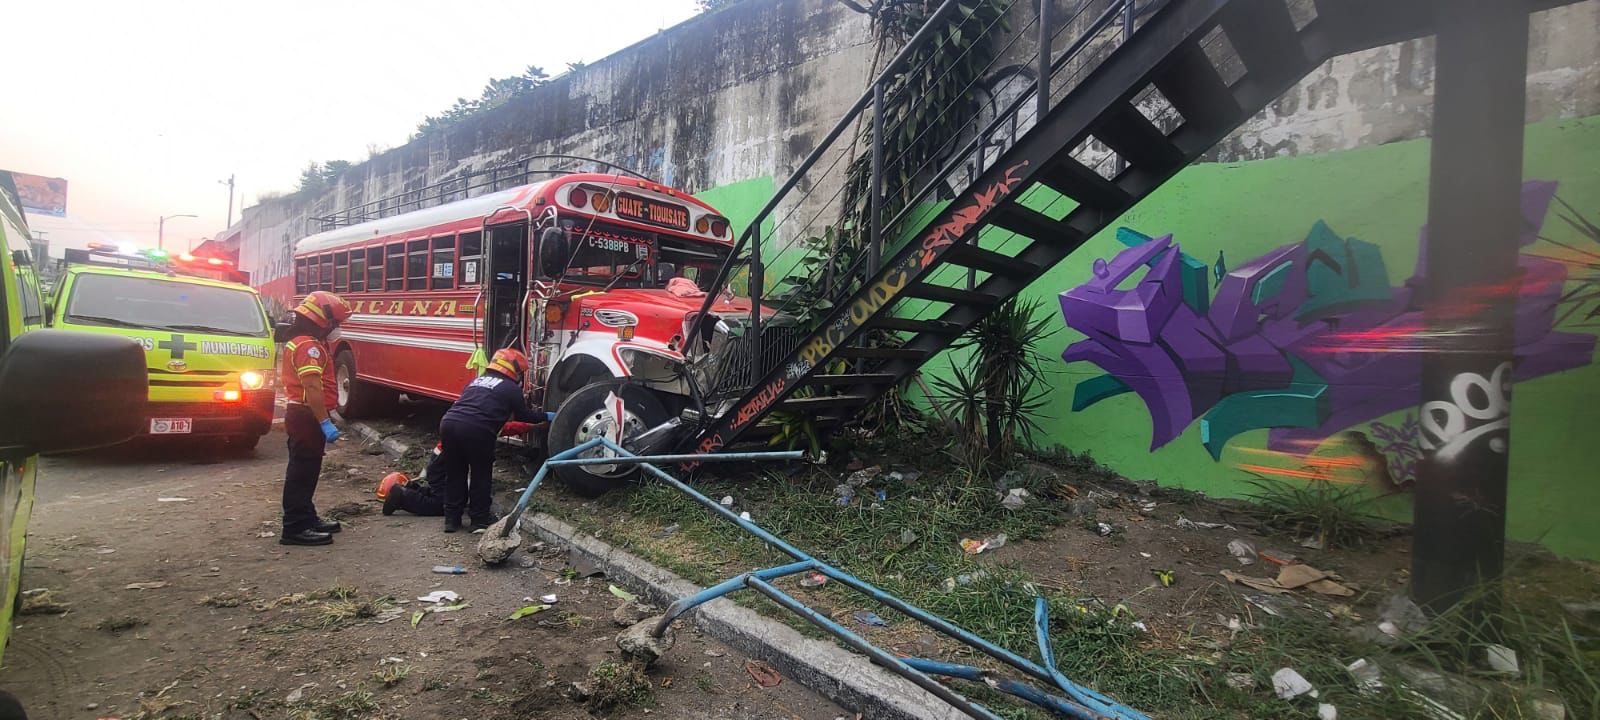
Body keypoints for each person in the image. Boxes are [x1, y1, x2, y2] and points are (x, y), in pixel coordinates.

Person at [438, 348, 542, 532]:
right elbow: (523, 415)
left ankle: (451, 520)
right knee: (480, 474)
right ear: (513, 369)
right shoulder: (510, 388)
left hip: (448, 423)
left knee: (455, 473)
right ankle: (479, 520)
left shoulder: (475, 382)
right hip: (477, 430)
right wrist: (547, 416)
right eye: (520, 372)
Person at [277, 290, 353, 546]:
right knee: (302, 472)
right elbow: (312, 389)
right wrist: (324, 422)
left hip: (303, 415)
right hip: (306, 416)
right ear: (324, 321)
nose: (337, 329)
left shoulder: (301, 341)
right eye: (336, 324)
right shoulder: (308, 347)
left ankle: (307, 518)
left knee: (307, 470)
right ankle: (295, 527)